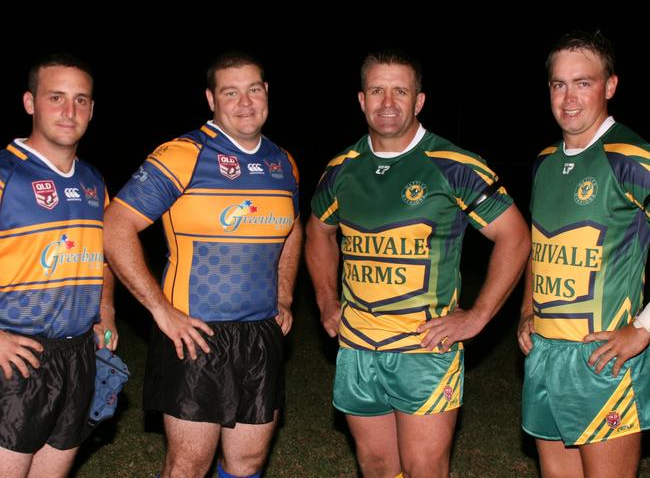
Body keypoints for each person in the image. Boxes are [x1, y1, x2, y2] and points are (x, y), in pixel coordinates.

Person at [305, 49, 530, 478]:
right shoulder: (341, 169)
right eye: (377, 90)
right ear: (361, 99)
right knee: (375, 465)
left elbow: (515, 236)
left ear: (419, 101)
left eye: (400, 91)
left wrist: (477, 316)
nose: (387, 102)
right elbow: (318, 231)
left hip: (424, 350)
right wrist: (325, 300)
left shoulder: (453, 165)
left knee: (424, 467)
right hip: (357, 348)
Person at [103, 51, 302, 478]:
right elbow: (115, 226)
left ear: (267, 93)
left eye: (253, 89)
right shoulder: (184, 154)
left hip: (260, 336)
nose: (244, 102)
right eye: (231, 92)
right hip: (196, 336)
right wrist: (161, 310)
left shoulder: (282, 162)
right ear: (211, 98)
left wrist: (284, 295)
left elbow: (294, 228)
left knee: (248, 461)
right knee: (189, 464)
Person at [517, 30, 650, 478]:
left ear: (610, 86)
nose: (569, 98)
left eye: (583, 82)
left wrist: (643, 330)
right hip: (546, 354)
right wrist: (528, 311)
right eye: (559, 84)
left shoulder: (632, 156)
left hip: (603, 359)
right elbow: (540, 245)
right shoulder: (544, 162)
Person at [0, 53, 117, 478]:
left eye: (81, 100)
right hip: (16, 357)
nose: (70, 111)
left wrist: (106, 312)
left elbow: (102, 256)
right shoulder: (5, 172)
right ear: (30, 102)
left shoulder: (93, 180)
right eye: (56, 97)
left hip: (77, 355)